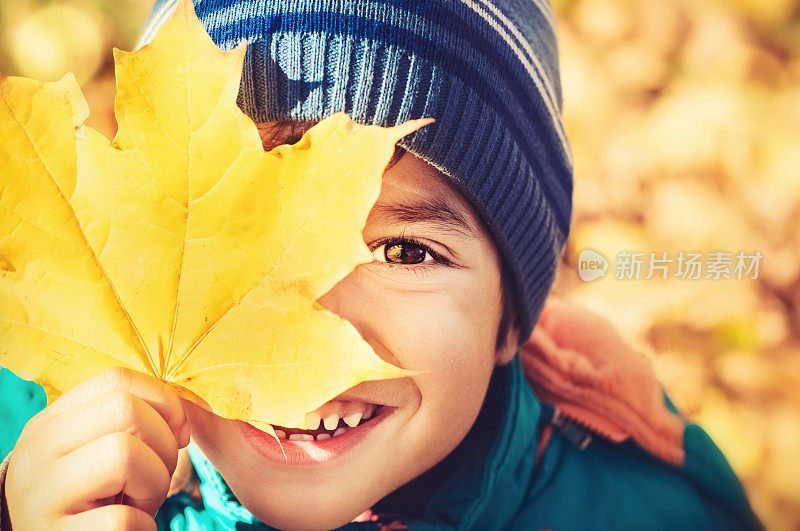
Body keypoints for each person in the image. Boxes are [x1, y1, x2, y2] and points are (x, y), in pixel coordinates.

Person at [0, 0, 762, 529]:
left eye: (406, 250)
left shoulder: (649, 506)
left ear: (509, 323)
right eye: (256, 231)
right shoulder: (30, 435)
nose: (317, 310)